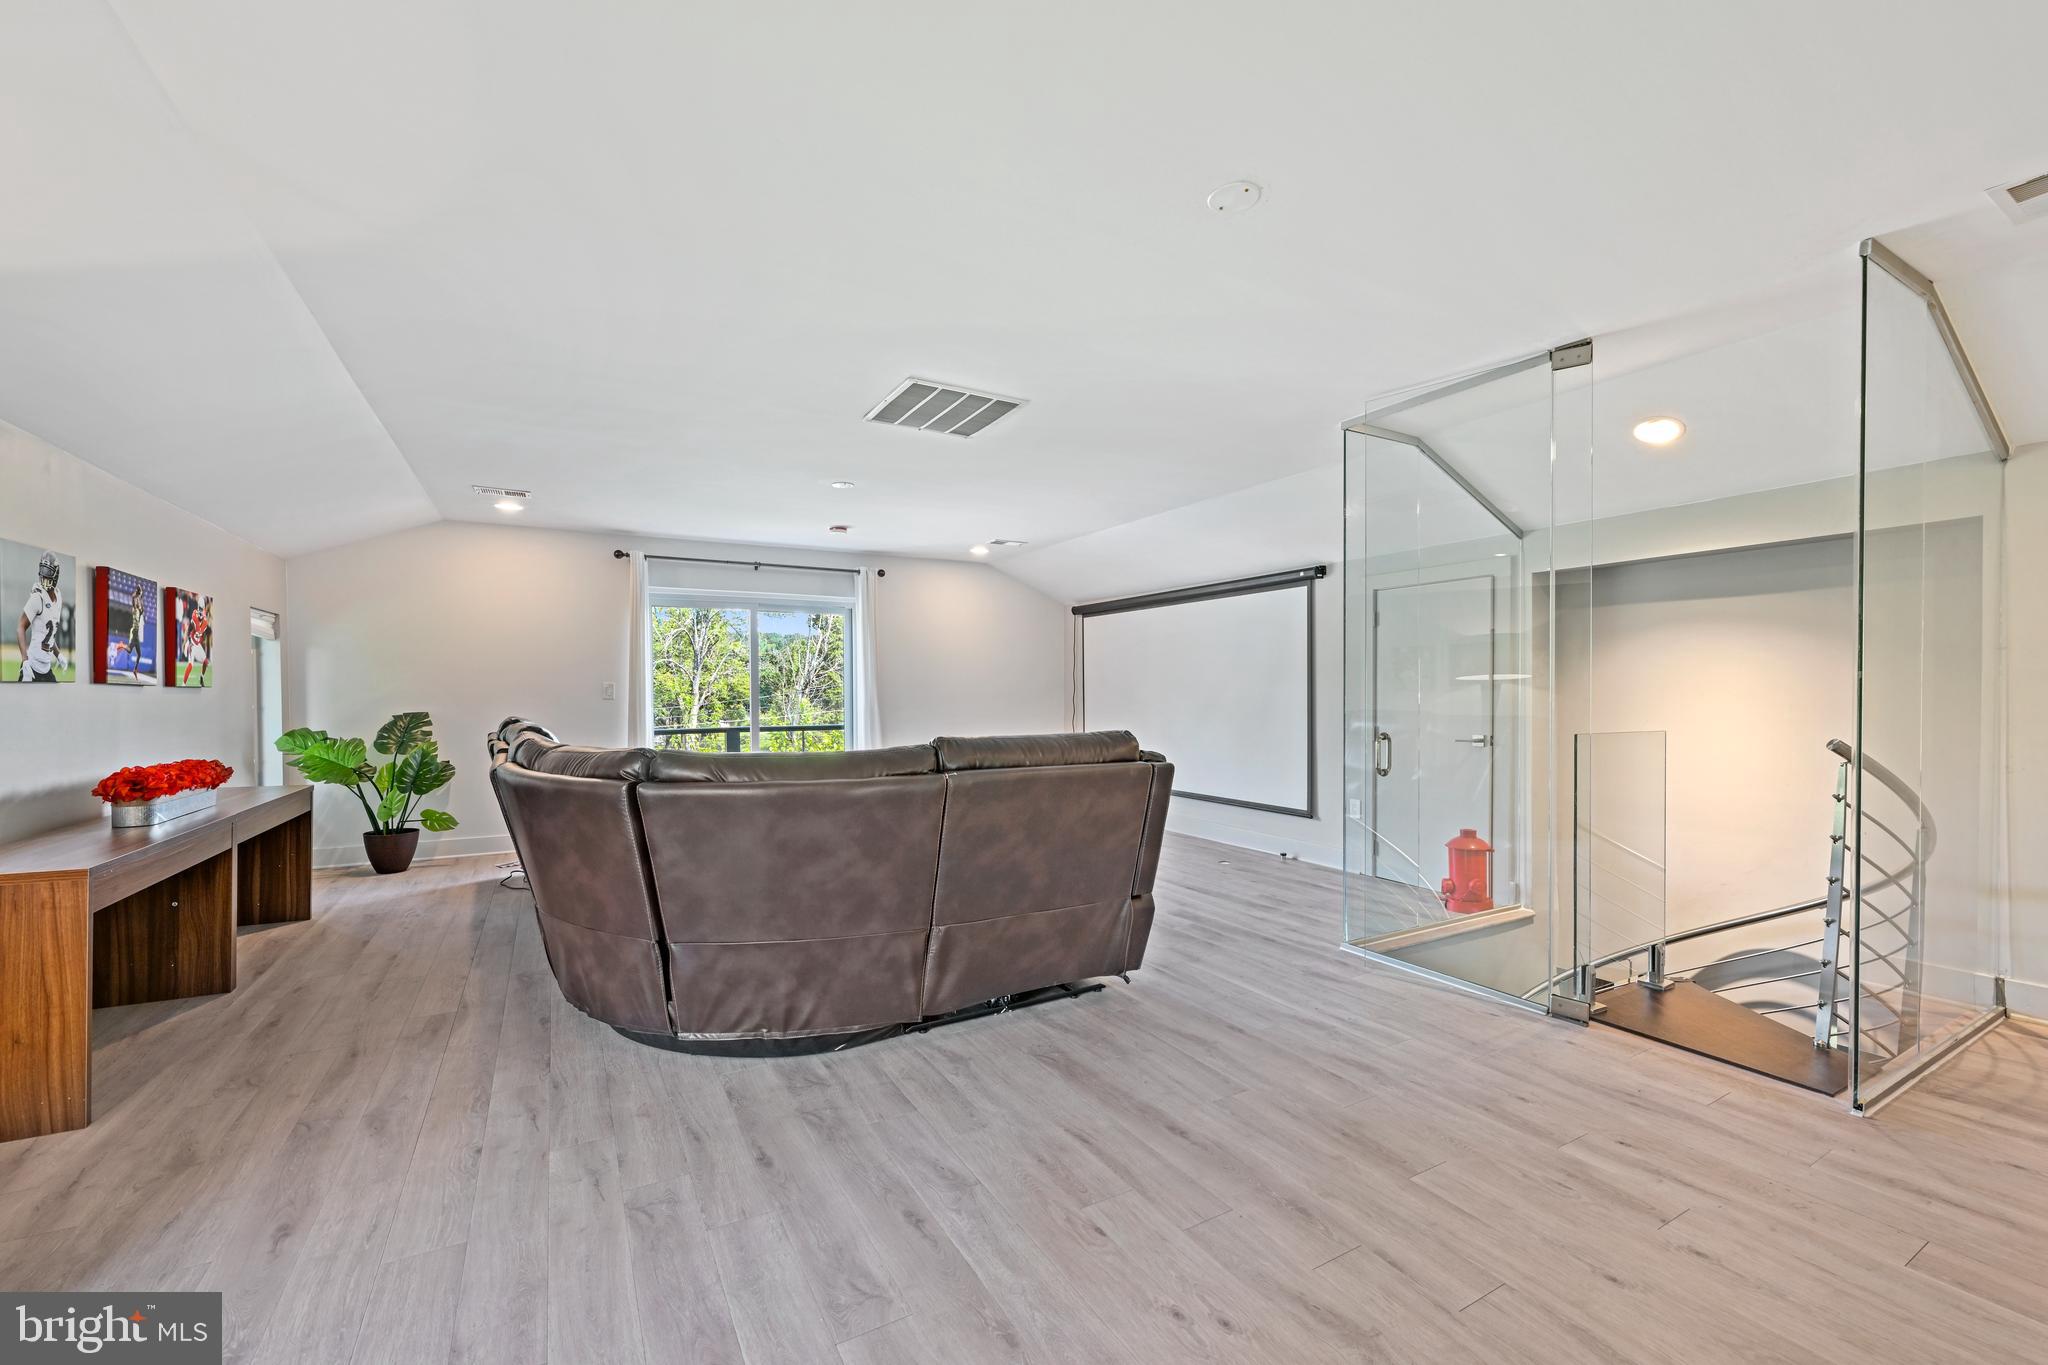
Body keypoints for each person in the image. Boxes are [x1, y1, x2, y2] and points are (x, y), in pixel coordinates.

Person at [17, 552, 64, 682]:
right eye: (42, 570)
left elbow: (48, 635)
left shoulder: (58, 597)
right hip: (31, 666)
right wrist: (25, 660)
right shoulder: (37, 597)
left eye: (48, 572)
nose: (44, 575)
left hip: (46, 668)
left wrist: (58, 654)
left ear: (56, 573)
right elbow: (20, 627)